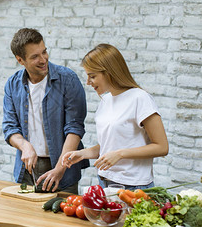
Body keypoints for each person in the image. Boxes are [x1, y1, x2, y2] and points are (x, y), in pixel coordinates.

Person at [62, 44, 168, 191]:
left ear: (109, 73)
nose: (88, 82)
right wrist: (83, 154)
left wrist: (120, 154)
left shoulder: (140, 98)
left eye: (92, 76)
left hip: (133, 186)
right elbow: (111, 145)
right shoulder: (106, 101)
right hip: (104, 181)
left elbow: (162, 147)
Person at [2, 28, 89, 194]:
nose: (43, 60)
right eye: (35, 56)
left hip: (63, 165)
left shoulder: (68, 79)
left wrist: (60, 168)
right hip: (27, 170)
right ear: (20, 60)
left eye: (44, 52)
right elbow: (9, 127)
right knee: (26, 218)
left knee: (62, 218)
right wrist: (25, 146)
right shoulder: (12, 85)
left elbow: (75, 128)